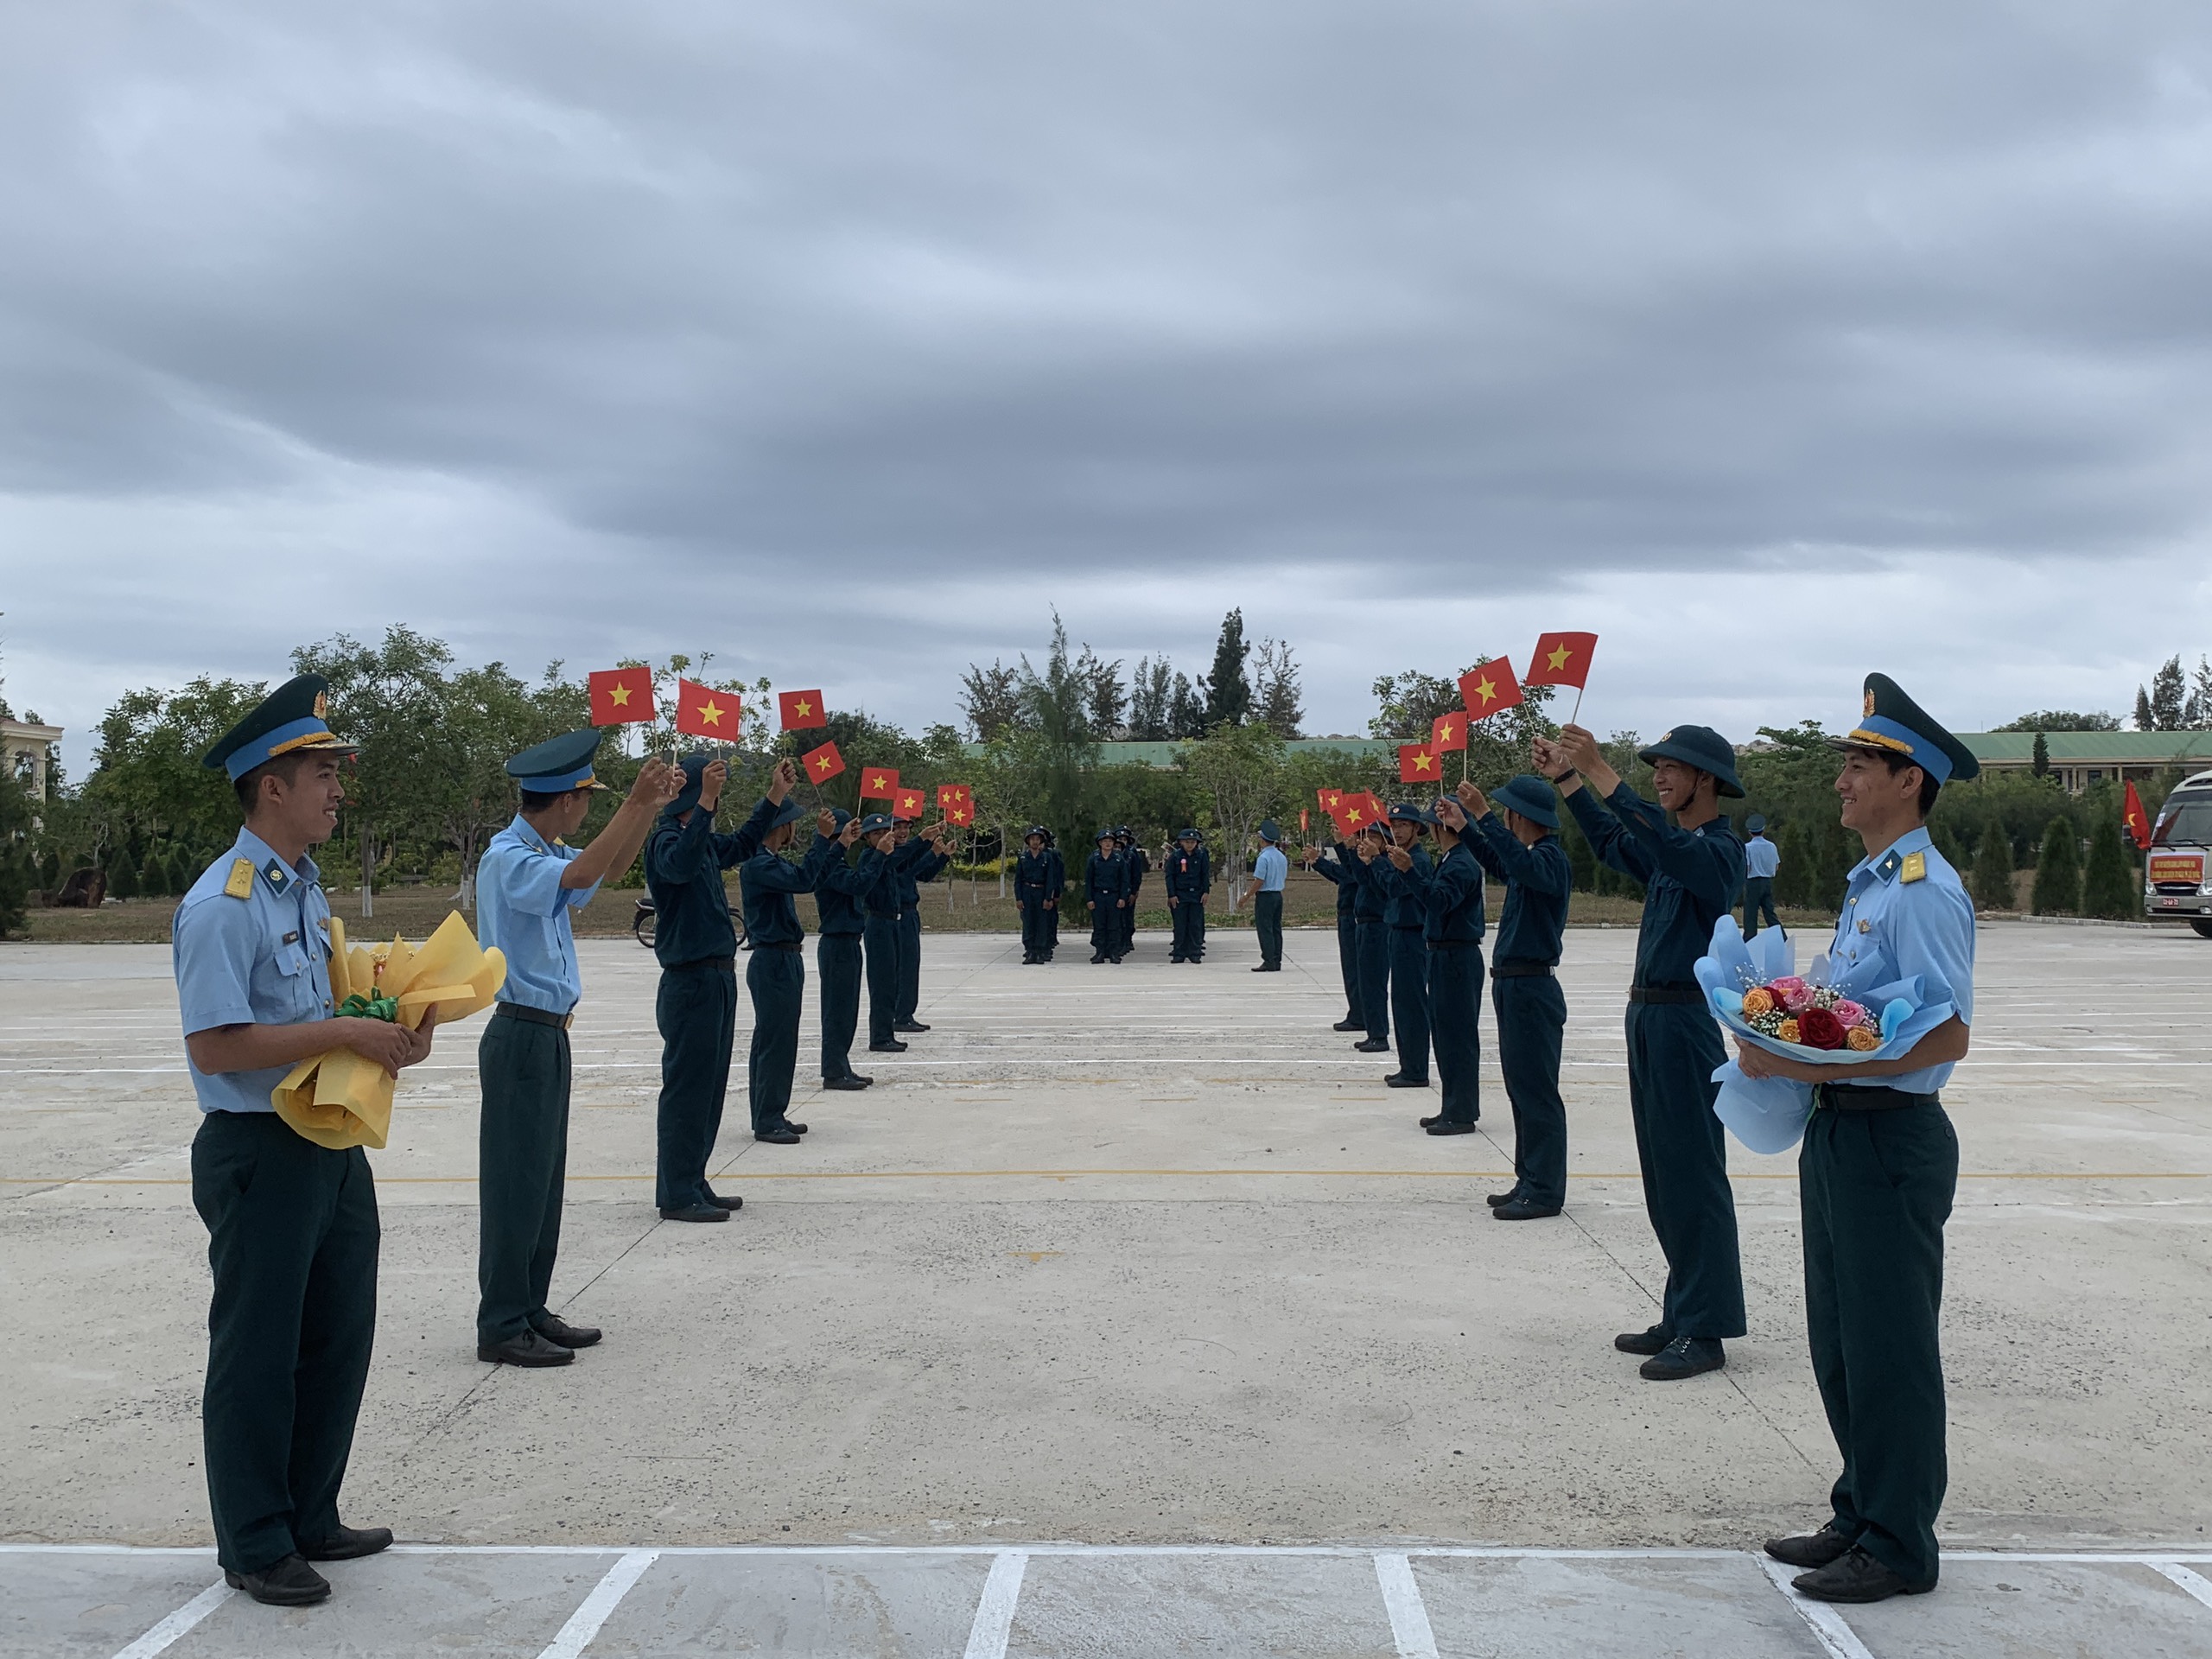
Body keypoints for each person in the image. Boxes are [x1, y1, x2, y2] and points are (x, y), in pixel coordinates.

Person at [175, 673, 435, 1607]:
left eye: (334, 770)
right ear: (270, 786)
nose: (337, 788)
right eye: (321, 771)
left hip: (328, 1138)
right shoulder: (225, 903)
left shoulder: (301, 887)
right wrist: (342, 1035)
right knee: (258, 1347)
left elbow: (322, 1010)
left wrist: (389, 1031)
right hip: (258, 1151)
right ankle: (253, 1540)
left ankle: (308, 1511)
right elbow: (216, 1043)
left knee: (336, 1334)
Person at [1745, 674, 1979, 1605]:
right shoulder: (1874, 884)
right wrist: (1779, 1022)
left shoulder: (1923, 893)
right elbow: (1855, 1012)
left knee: (1890, 1347)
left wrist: (1813, 1070)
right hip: (1843, 1134)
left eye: (1855, 765)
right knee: (1842, 1340)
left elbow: (1947, 1034)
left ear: (1907, 779)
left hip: (1890, 1138)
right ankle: (1861, 1508)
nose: (1839, 781)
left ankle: (1899, 1543)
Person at [1534, 721, 1746, 1381]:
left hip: (1684, 1020)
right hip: (1648, 1016)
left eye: (1672, 768)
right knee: (1663, 1176)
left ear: (1706, 780)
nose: (1659, 776)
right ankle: (1684, 1309)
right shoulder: (1671, 846)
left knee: (1692, 1176)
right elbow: (1610, 840)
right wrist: (1569, 780)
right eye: (1654, 767)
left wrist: (1601, 770)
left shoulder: (1718, 851)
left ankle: (1706, 1330)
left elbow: (1665, 845)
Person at [476, 733, 679, 1357]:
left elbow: (611, 869)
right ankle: (502, 1324)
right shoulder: (509, 856)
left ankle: (530, 1306)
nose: (589, 808)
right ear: (567, 800)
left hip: (548, 1035)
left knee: (541, 1182)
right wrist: (635, 800)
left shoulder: (547, 849)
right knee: (516, 1183)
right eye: (587, 797)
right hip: (521, 1031)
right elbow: (588, 869)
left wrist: (646, 809)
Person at [644, 754, 797, 1222]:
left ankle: (693, 1178)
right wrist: (707, 802)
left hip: (717, 977)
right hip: (689, 980)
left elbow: (747, 841)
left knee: (709, 1089)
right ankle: (676, 1192)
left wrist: (774, 795)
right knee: (688, 1089)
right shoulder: (667, 840)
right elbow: (681, 865)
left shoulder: (702, 841)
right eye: (706, 793)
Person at [1459, 775, 1573, 1217]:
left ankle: (1544, 1189)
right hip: (1514, 985)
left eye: (1505, 811)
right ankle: (1529, 1178)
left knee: (1536, 1090)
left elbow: (1517, 866)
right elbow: (1500, 861)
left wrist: (1483, 816)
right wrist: (1467, 826)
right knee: (1521, 1088)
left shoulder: (1549, 860)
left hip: (1532, 986)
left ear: (1518, 816)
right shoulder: (1529, 858)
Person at [739, 796, 842, 1145]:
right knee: (774, 1041)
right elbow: (803, 880)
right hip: (772, 960)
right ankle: (767, 1118)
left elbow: (810, 876)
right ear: (781, 827)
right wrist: (822, 839)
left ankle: (772, 1111)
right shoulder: (758, 865)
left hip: (783, 958)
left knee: (780, 1040)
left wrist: (835, 844)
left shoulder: (770, 861)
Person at [1399, 797, 1482, 1131]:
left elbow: (1438, 901)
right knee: (1446, 1035)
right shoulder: (1452, 859)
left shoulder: (1461, 863)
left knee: (1457, 1036)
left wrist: (1409, 872)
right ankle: (1452, 1105)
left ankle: (1461, 1112)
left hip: (1456, 955)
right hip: (1444, 954)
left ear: (1437, 828)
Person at [810, 806, 876, 1090]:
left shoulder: (837, 862)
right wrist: (880, 857)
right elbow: (858, 885)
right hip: (836, 943)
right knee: (836, 1010)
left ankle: (842, 1063)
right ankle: (833, 1070)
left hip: (849, 941)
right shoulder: (829, 864)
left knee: (848, 1010)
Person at [1380, 804, 1434, 1088]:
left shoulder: (1417, 860)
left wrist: (1385, 864)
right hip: (1398, 932)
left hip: (1412, 935)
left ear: (1416, 829)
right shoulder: (1401, 857)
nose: (1397, 830)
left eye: (1403, 825)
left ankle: (1415, 1069)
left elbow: (1397, 887)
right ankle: (1408, 1064)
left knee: (1411, 1003)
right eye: (1394, 825)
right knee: (1401, 1002)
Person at [889, 818, 952, 1033]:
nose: (902, 831)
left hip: (910, 913)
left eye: (906, 827)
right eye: (897, 827)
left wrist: (942, 856)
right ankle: (899, 1015)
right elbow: (907, 870)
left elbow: (922, 874)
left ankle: (906, 1013)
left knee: (910, 965)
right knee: (900, 966)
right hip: (896, 915)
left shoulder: (908, 852)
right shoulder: (890, 854)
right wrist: (930, 849)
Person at [858, 814, 909, 1052]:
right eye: (877, 834)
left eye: (884, 833)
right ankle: (879, 1036)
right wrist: (924, 839)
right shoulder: (871, 857)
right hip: (878, 923)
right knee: (882, 983)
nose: (883, 837)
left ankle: (886, 1032)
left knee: (893, 979)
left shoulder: (885, 857)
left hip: (891, 923)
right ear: (867, 837)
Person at [1309, 835, 1365, 1033]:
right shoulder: (1355, 855)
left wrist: (1320, 861)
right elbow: (1344, 871)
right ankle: (1356, 1012)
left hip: (1354, 915)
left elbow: (1348, 876)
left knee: (1354, 968)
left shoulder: (1364, 854)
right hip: (1346, 914)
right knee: (1350, 968)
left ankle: (1360, 1014)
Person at [1349, 819, 1393, 1053]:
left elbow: (1381, 888)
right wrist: (1358, 858)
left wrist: (1373, 862)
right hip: (1364, 925)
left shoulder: (1386, 863)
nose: (1367, 842)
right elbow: (1361, 880)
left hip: (1378, 925)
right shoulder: (1373, 864)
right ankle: (1372, 1030)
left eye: (1374, 838)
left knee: (1375, 982)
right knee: (1366, 981)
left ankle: (1380, 1034)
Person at [1236, 820, 1289, 970]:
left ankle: (1268, 960)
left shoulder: (1263, 858)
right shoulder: (1281, 857)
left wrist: (1246, 896)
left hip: (1265, 896)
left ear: (1262, 840)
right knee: (1276, 928)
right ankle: (1276, 960)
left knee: (1265, 929)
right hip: (1278, 895)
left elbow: (1259, 881)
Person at [1165, 827, 1211, 963]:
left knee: (1195, 924)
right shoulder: (1175, 856)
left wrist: (1206, 892)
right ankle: (1179, 952)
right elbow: (1169, 876)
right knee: (1180, 925)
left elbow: (1205, 875)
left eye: (1193, 841)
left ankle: (1195, 952)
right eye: (1187, 841)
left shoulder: (1201, 856)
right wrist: (1171, 894)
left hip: (1196, 894)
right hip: (1180, 894)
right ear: (1181, 842)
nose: (1190, 844)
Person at [1085, 828, 1130, 963]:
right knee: (1099, 926)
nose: (1108, 844)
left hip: (1114, 896)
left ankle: (1114, 953)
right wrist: (1089, 898)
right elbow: (1088, 880)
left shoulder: (1118, 859)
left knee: (1114, 926)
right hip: (1098, 896)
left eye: (1110, 841)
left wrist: (1123, 897)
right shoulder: (1094, 858)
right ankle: (1100, 952)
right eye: (1105, 841)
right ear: (1100, 843)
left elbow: (1124, 880)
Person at [1014, 826, 1056, 964]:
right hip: (1027, 892)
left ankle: (1039, 952)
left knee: (1041, 923)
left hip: (1041, 892)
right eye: (1032, 839)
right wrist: (1019, 898)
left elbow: (1050, 879)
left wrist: (1048, 898)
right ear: (1028, 841)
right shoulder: (1023, 858)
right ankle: (1030, 951)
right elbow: (1018, 880)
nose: (1035, 842)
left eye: (1037, 839)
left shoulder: (1046, 858)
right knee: (1028, 922)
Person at [1742, 814, 1783, 938]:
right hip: (1767, 882)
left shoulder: (1747, 848)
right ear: (1763, 830)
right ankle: (1781, 938)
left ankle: (1749, 940)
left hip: (1753, 882)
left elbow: (1747, 867)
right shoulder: (1771, 846)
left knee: (1750, 915)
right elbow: (1776, 866)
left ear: (1750, 832)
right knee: (1770, 914)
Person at [1118, 826, 1150, 957]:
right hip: (1115, 892)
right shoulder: (1112, 854)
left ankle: (1127, 941)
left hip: (1129, 890)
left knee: (1127, 918)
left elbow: (1136, 874)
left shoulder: (1131, 854)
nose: (1122, 841)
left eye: (1125, 839)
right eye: (1120, 838)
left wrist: (1134, 891)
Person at [1040, 828, 1066, 961]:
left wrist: (1057, 892)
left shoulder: (1053, 854)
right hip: (1034, 893)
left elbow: (1058, 875)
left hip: (1051, 891)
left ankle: (1049, 942)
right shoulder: (1029, 855)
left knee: (1050, 920)